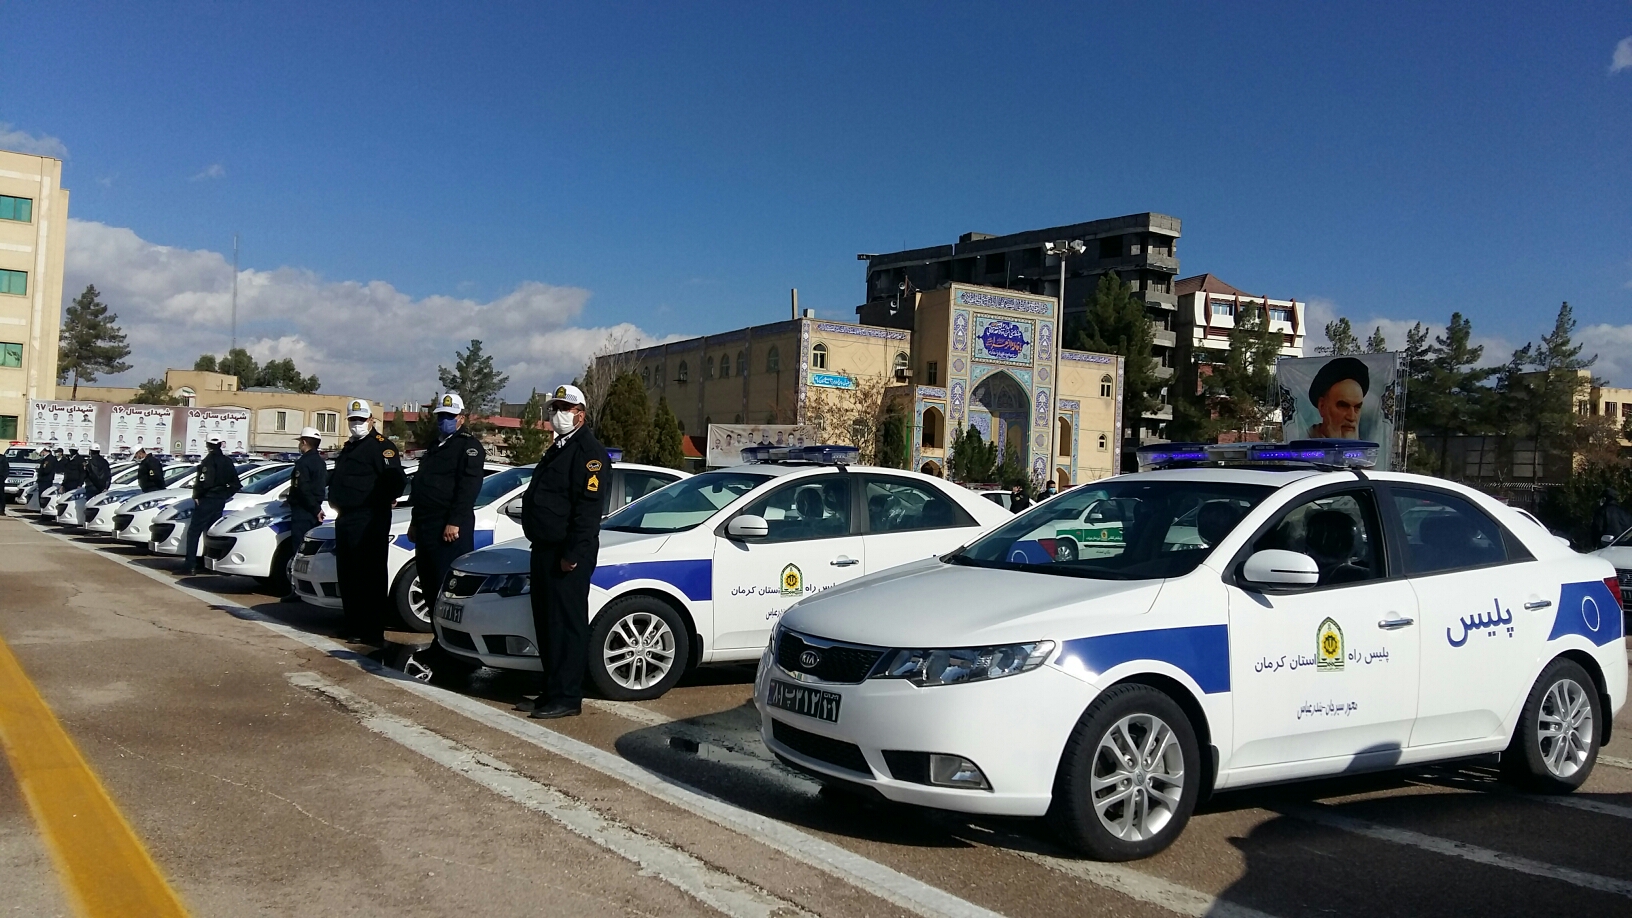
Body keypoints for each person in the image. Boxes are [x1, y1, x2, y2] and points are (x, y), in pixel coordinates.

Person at [516, 384, 609, 719]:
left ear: (579, 414)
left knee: (566, 625)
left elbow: (587, 512)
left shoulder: (589, 453)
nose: (556, 414)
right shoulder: (559, 447)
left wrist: (572, 553)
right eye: (554, 408)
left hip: (566, 554)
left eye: (563, 409)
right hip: (544, 548)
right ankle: (551, 690)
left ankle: (568, 696)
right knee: (546, 622)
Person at [326, 400, 406, 642]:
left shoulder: (381, 447)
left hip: (369, 519)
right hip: (346, 518)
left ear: (371, 420)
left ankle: (371, 630)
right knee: (349, 575)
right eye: (353, 420)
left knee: (368, 576)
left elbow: (396, 482)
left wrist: (382, 500)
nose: (357, 424)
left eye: (361, 420)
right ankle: (353, 624)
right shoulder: (350, 447)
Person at [408, 393, 486, 608]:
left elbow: (468, 488)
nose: (444, 420)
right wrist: (415, 521)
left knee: (448, 586)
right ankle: (437, 637)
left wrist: (455, 520)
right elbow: (422, 487)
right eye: (441, 415)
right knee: (429, 582)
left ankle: (449, 637)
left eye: (450, 416)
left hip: (448, 527)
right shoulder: (434, 447)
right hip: (427, 524)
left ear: (461, 418)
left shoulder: (468, 447)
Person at [280, 427, 329, 603]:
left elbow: (303, 488)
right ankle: (306, 587)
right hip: (313, 509)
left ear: (305, 442)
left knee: (298, 551)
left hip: (304, 511)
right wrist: (316, 508)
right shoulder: (320, 461)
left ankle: (296, 588)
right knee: (308, 552)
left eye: (301, 442)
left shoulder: (304, 463)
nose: (299, 445)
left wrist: (313, 508)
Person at [183, 435, 241, 575]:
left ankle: (190, 565)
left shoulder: (207, 461)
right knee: (211, 533)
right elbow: (236, 484)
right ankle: (209, 563)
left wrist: (197, 495)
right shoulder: (227, 461)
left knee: (194, 532)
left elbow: (204, 482)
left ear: (208, 445)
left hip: (207, 500)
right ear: (221, 444)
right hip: (219, 500)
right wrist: (224, 495)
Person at [1307, 357, 1369, 439]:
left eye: (1357, 407)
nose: (1352, 417)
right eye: (1343, 406)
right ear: (1322, 407)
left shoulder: (1366, 450)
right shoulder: (1303, 445)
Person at [81, 444, 112, 521]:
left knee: (90, 507)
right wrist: (106, 487)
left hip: (92, 488)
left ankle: (90, 522)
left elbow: (93, 476)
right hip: (102, 489)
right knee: (100, 507)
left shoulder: (91, 462)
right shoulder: (105, 462)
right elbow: (108, 475)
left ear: (90, 451)